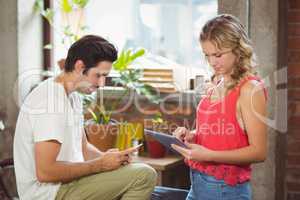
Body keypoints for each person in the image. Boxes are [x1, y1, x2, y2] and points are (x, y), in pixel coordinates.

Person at [13, 35, 157, 200]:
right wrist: (100, 165)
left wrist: (108, 158)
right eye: (98, 75)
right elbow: (45, 172)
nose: (102, 83)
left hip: (69, 184)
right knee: (144, 176)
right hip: (49, 193)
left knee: (136, 173)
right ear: (80, 66)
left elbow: (83, 148)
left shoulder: (72, 96)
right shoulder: (50, 101)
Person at [172, 14, 267, 200]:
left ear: (238, 50)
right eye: (207, 55)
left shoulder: (250, 89)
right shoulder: (217, 82)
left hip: (225, 190)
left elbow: (259, 151)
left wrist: (209, 155)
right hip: (197, 183)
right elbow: (219, 132)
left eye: (218, 54)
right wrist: (192, 135)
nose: (212, 62)